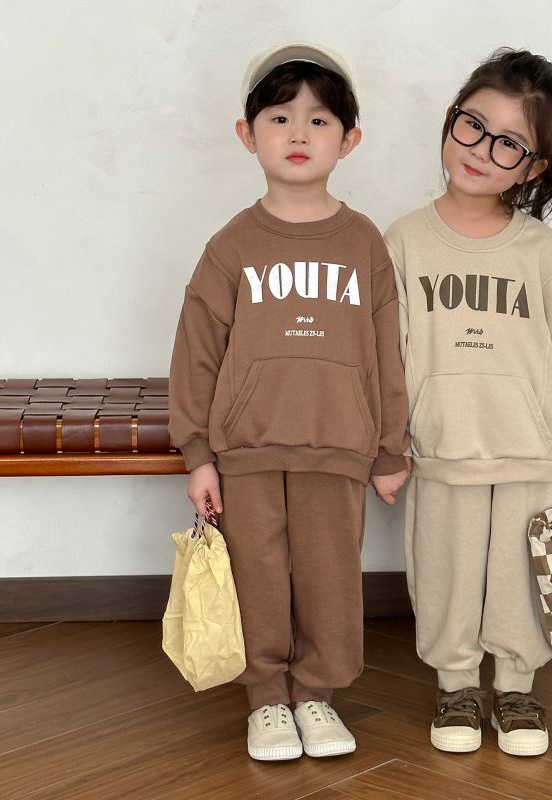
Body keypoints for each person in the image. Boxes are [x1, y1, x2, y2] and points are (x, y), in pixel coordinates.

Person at [168, 42, 410, 763]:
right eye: (279, 118)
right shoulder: (231, 245)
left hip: (337, 445)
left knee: (331, 579)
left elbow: (387, 353)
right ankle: (267, 700)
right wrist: (198, 453)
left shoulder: (364, 243)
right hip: (244, 451)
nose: (298, 133)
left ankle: (317, 694)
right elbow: (196, 353)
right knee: (258, 579)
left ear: (349, 139)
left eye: (319, 120)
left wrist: (389, 450)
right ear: (247, 135)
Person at [384, 47, 552, 757]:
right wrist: (389, 443)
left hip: (526, 451)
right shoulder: (404, 240)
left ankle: (515, 689)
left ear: (533, 168)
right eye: (473, 125)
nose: (481, 149)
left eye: (509, 142)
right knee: (442, 572)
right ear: (451, 121)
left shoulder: (539, 252)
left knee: (518, 576)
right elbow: (384, 350)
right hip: (440, 447)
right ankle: (455, 686)